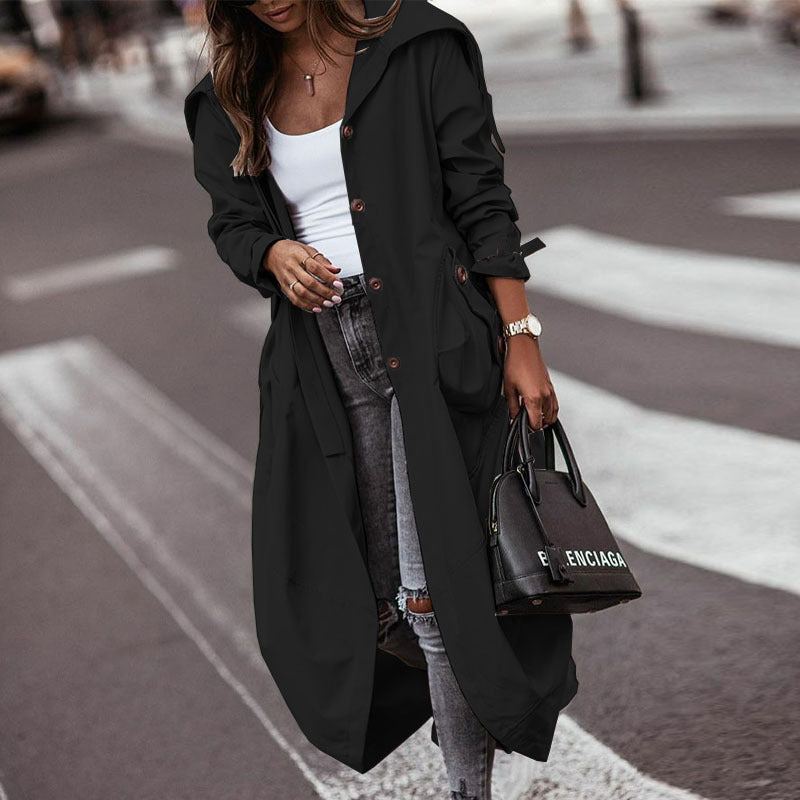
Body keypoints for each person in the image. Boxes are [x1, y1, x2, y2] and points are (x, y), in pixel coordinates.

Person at [185, 1, 578, 797]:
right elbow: (231, 223)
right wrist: (271, 252)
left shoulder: (418, 43)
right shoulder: (226, 93)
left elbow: (480, 195)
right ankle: (458, 691)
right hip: (324, 360)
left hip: (434, 338)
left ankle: (466, 781)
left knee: (434, 595)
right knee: (378, 598)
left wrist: (522, 337)